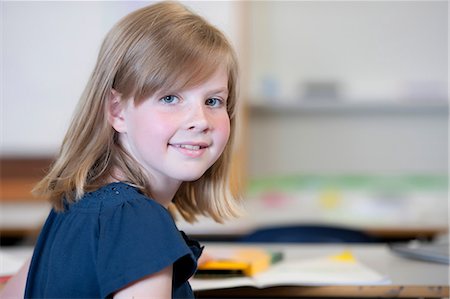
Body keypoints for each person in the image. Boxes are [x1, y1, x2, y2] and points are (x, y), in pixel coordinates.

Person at [0, 1, 241, 298]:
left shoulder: (76, 202)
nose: (200, 120)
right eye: (170, 98)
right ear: (118, 111)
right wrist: (147, 246)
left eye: (213, 101)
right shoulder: (138, 222)